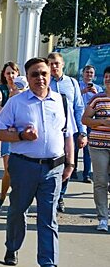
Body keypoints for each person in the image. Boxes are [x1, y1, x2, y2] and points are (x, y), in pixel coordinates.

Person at [0, 57, 75, 267]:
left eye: (43, 73)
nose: (40, 78)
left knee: (48, 217)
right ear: (27, 78)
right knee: (18, 211)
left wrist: (70, 163)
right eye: (34, 74)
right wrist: (21, 135)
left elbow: (68, 133)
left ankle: (48, 264)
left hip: (53, 168)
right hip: (24, 166)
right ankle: (12, 246)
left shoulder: (61, 101)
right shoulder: (17, 103)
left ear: (50, 74)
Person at [48, 52, 87, 212]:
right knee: (51, 164)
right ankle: (50, 195)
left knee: (69, 164)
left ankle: (61, 195)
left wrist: (83, 132)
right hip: (51, 131)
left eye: (56, 63)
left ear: (62, 64)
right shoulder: (45, 83)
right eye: (50, 64)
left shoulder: (72, 83)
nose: (54, 66)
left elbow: (79, 108)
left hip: (70, 132)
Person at [81, 65, 110, 232]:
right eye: (106, 76)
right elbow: (85, 119)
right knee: (100, 181)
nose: (108, 79)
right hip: (98, 146)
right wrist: (101, 122)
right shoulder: (97, 99)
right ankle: (102, 218)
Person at [0, 62, 20, 212]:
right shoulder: (1, 89)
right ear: (4, 75)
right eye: (8, 73)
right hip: (7, 133)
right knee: (9, 169)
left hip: (22, 133)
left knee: (22, 170)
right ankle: (2, 196)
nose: (11, 76)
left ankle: (16, 200)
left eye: (13, 73)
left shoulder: (24, 89)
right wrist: (10, 102)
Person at [78, 65, 103, 182]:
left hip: (90, 120)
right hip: (77, 119)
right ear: (83, 74)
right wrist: (83, 91)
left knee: (88, 149)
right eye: (87, 72)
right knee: (73, 146)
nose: (89, 74)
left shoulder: (98, 88)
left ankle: (86, 174)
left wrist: (96, 93)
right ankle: (72, 170)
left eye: (91, 73)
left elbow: (102, 102)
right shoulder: (76, 86)